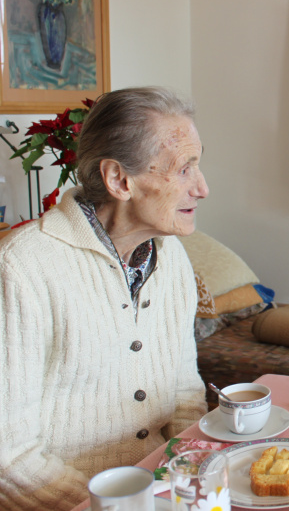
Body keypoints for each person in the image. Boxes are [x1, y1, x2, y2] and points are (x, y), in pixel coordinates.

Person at [0, 87, 210, 509]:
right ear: (118, 180)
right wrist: (120, 505)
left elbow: (186, 395)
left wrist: (191, 483)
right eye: (184, 169)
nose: (202, 188)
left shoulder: (171, 257)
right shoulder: (21, 267)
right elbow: (10, 455)